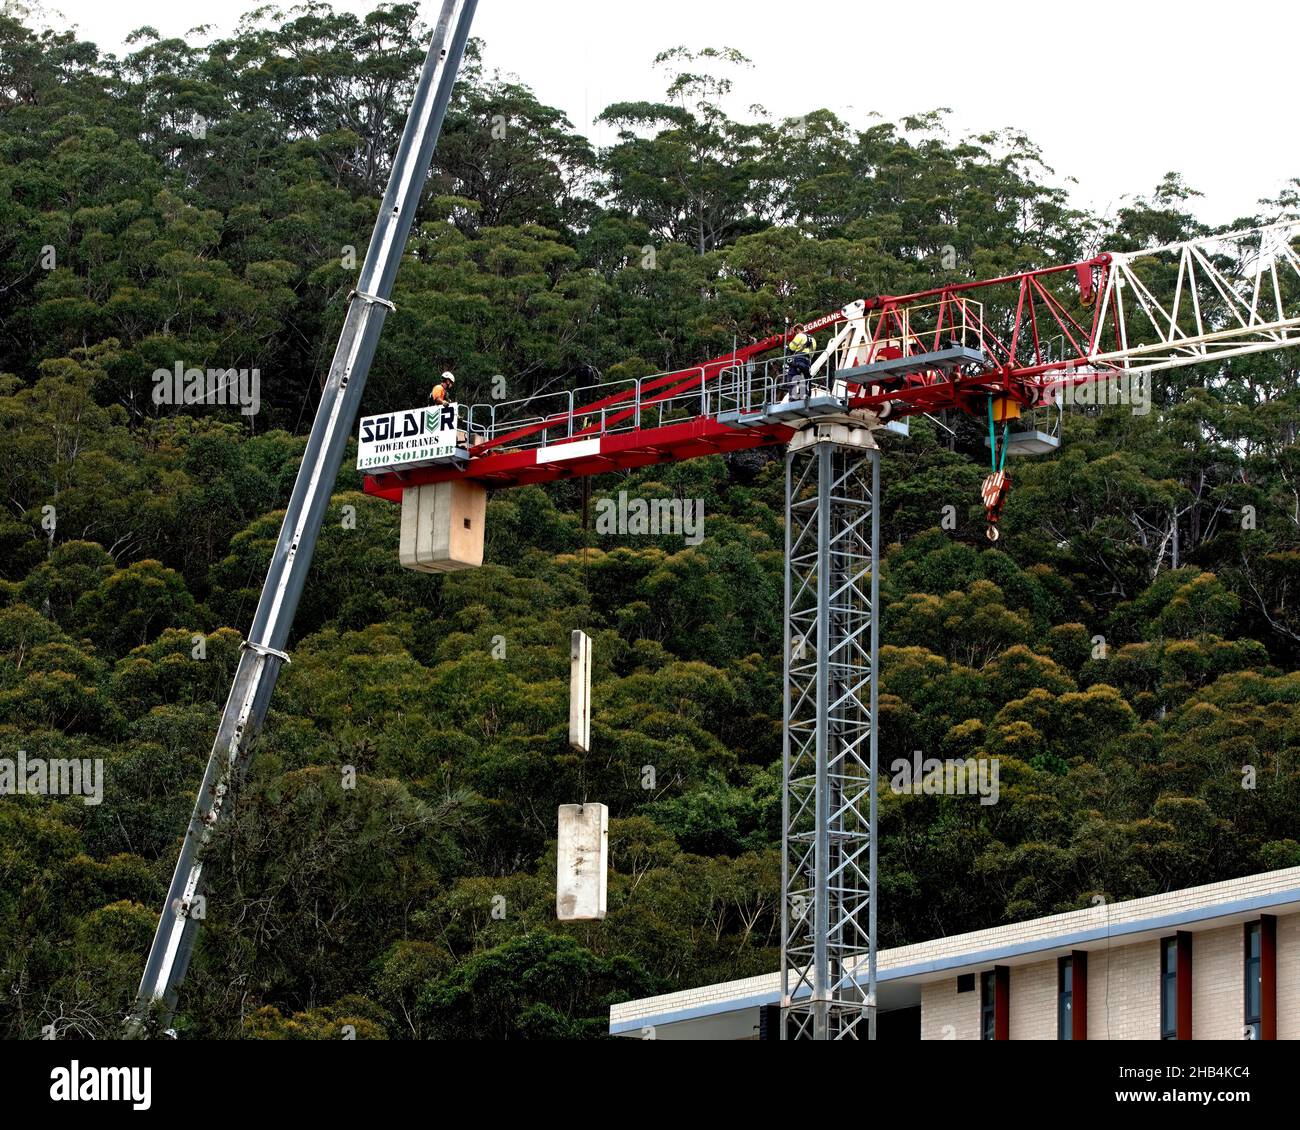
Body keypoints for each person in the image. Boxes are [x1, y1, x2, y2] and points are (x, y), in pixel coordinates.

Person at [780, 332, 816, 400]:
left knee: (792, 376)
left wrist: (788, 349)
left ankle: (792, 398)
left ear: (797, 330)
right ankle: (803, 396)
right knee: (804, 378)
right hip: (807, 361)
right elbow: (812, 354)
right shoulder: (814, 340)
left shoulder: (799, 336)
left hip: (798, 359)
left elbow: (791, 348)